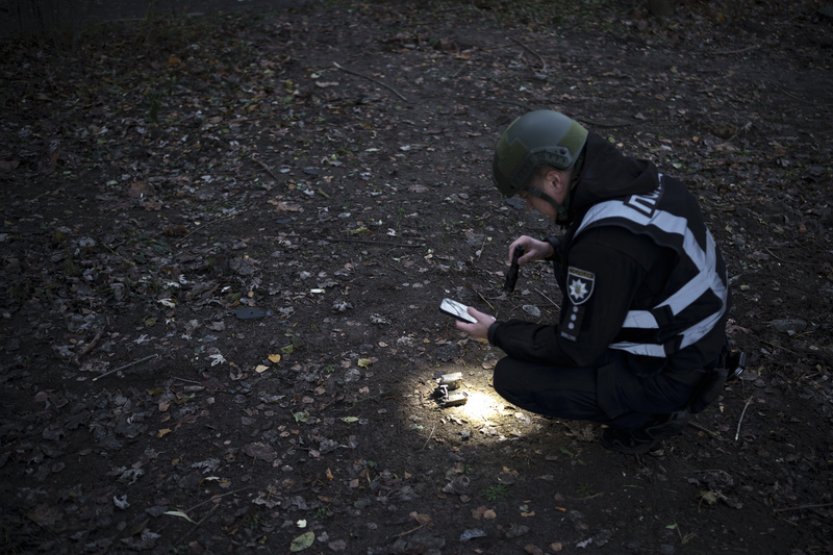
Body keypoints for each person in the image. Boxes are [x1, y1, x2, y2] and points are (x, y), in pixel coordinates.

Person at [455, 109, 733, 454]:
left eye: (528, 196)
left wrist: (496, 332)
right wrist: (554, 248)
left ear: (555, 180)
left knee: (512, 377)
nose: (529, 206)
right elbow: (634, 249)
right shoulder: (649, 182)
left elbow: (576, 348)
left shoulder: (603, 249)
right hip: (700, 343)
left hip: (670, 373)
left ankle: (649, 418)